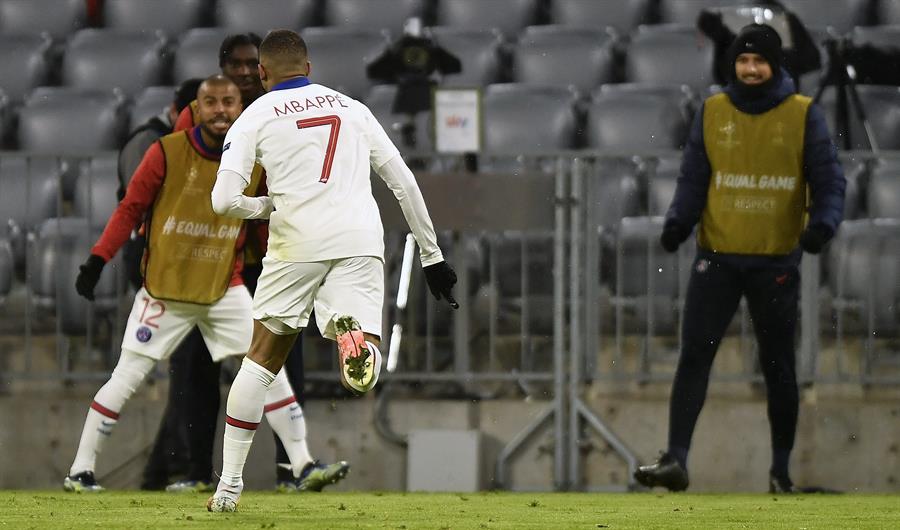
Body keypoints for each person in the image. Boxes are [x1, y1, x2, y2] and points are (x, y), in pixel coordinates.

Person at [205, 29, 459, 512]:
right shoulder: (353, 108)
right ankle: (356, 343)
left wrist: (265, 207)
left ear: (261, 73)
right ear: (310, 67)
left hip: (295, 242)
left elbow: (223, 201)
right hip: (359, 240)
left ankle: (229, 489)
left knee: (259, 363)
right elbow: (402, 181)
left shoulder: (253, 116)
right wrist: (432, 256)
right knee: (367, 347)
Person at [63, 75, 348, 494]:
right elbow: (130, 208)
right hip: (166, 289)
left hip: (222, 288)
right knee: (127, 376)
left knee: (270, 371)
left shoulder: (255, 160)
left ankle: (302, 463)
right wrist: (97, 259)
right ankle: (81, 469)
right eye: (210, 102)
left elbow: (269, 222)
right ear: (195, 109)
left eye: (228, 102)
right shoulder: (165, 152)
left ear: (240, 108)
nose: (220, 110)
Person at [633, 24, 845, 493]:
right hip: (718, 257)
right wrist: (678, 222)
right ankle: (677, 460)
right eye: (743, 61)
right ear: (733, 63)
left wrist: (823, 225)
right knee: (694, 358)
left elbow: (830, 180)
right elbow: (693, 177)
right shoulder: (711, 111)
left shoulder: (803, 114)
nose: (750, 69)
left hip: (775, 261)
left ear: (776, 65)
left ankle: (780, 471)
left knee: (777, 368)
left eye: (759, 61)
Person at [164, 33, 313, 494]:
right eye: (237, 64)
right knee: (195, 367)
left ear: (264, 68)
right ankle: (192, 470)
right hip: (208, 255)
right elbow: (181, 176)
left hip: (268, 253)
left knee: (283, 360)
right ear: (223, 66)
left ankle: (293, 470)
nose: (246, 72)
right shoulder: (200, 112)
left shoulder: (283, 111)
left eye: (253, 64)